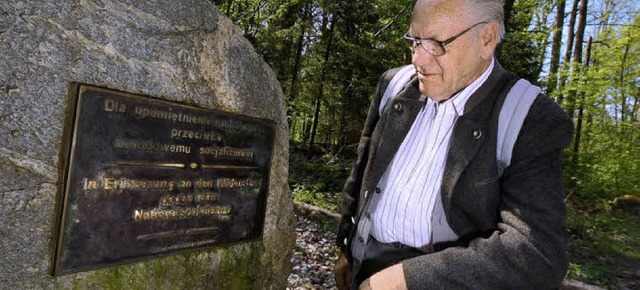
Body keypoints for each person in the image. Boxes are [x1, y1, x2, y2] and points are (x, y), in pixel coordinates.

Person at [333, 0, 574, 289]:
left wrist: (406, 281)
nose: (418, 59)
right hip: (366, 269)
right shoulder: (394, 85)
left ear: (486, 39)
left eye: (437, 43)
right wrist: (346, 244)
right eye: (415, 40)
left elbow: (537, 253)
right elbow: (362, 171)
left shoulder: (530, 117)